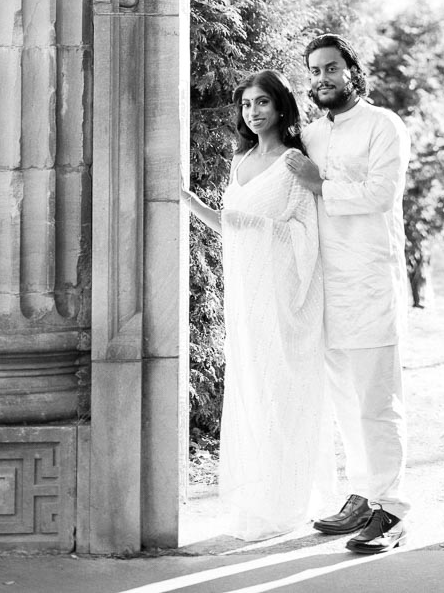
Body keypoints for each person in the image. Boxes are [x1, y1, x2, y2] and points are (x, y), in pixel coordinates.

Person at [182, 69, 334, 540]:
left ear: (281, 106)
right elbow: (229, 224)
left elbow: (306, 231)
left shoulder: (293, 162)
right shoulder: (240, 159)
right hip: (246, 296)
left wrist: (256, 227)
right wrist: (187, 200)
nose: (254, 111)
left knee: (283, 391)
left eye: (262, 102)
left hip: (284, 296)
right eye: (246, 103)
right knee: (253, 390)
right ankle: (260, 499)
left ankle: (289, 502)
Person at [285, 33, 411, 555]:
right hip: (326, 287)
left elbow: (382, 194)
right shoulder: (311, 136)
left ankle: (393, 510)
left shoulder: (384, 126)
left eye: (331, 68)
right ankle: (362, 494)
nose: (322, 79)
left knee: (377, 403)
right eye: (314, 71)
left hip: (370, 282)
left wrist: (320, 184)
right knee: (345, 402)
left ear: (352, 72)